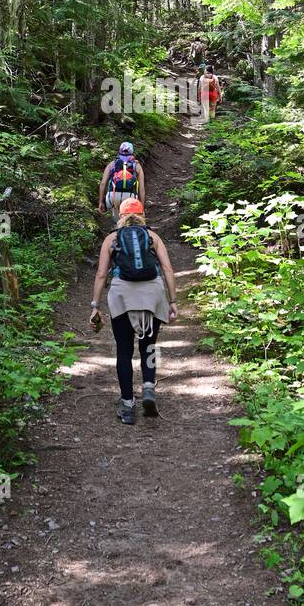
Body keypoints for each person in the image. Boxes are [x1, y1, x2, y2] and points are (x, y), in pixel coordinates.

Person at [90, 197, 178, 425]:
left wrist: (95, 305)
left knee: (124, 351)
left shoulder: (111, 238)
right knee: (148, 345)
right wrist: (173, 300)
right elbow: (167, 269)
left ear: (120, 215)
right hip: (153, 295)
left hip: (122, 297)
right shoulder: (152, 237)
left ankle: (127, 405)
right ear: (142, 215)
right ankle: (148, 387)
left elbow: (101, 274)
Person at [98, 141, 146, 222]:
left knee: (117, 222)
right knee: (129, 221)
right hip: (130, 197)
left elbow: (103, 184)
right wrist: (142, 207)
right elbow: (141, 189)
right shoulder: (136, 165)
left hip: (112, 197)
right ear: (132, 151)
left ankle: (117, 230)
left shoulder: (112, 164)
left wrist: (100, 202)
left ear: (119, 151)